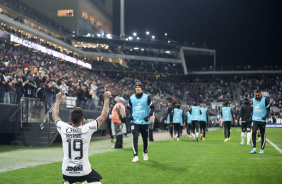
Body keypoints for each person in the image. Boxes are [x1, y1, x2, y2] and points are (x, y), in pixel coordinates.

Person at [52, 88, 110, 184]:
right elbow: (104, 116)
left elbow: (54, 116)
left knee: (68, 179)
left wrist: (58, 100)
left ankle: (68, 182)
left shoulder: (64, 128)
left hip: (66, 171)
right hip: (83, 171)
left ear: (70, 119)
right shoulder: (87, 129)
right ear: (82, 119)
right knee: (99, 180)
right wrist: (107, 99)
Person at [127, 81, 154, 163]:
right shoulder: (131, 98)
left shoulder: (146, 97)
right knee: (134, 138)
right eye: (136, 87)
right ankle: (135, 156)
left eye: (139, 87)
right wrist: (130, 115)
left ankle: (145, 153)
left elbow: (152, 108)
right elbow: (128, 108)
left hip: (145, 122)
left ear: (142, 88)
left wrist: (148, 116)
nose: (137, 88)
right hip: (135, 122)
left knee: (145, 139)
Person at [250, 89, 270, 154]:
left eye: (258, 95)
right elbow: (252, 109)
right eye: (256, 95)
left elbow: (268, 110)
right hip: (255, 119)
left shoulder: (265, 100)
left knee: (262, 134)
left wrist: (265, 117)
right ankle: (254, 148)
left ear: (261, 94)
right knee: (253, 132)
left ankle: (262, 149)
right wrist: (251, 116)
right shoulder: (253, 100)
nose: (257, 96)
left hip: (262, 120)